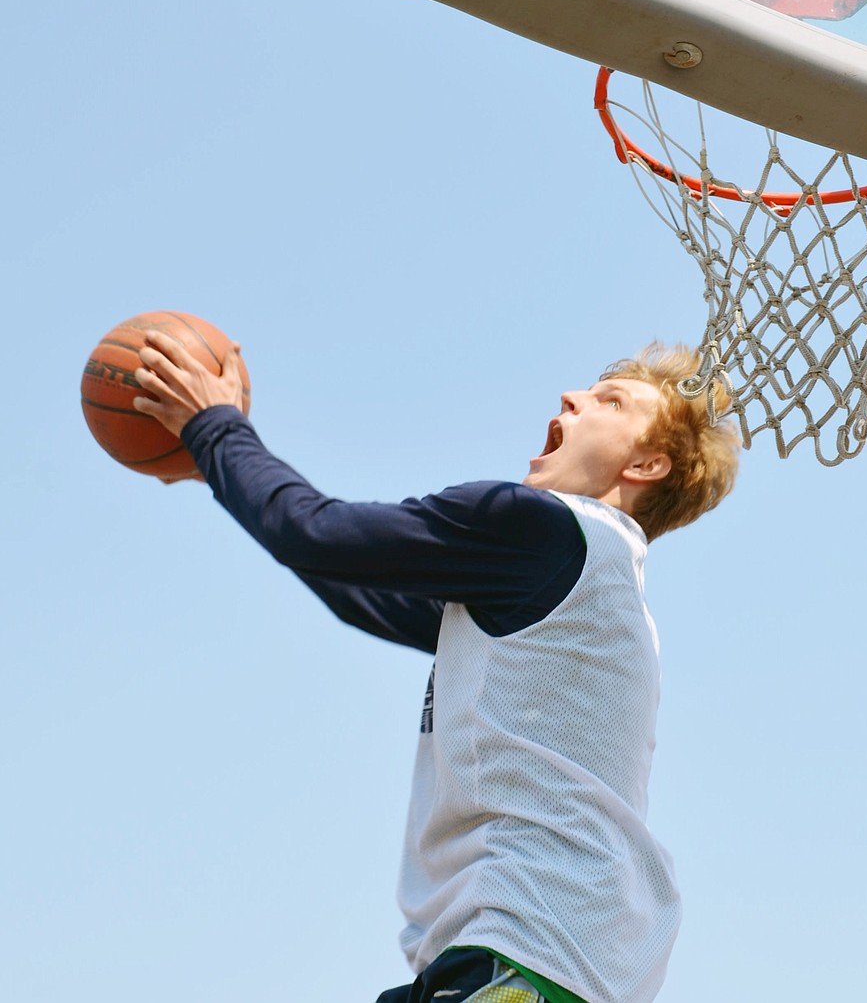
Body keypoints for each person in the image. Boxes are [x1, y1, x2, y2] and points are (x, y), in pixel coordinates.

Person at [133, 330, 739, 1003]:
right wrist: (221, 464)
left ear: (648, 464)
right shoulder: (593, 586)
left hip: (525, 952)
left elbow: (317, 534)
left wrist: (214, 428)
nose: (572, 396)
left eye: (610, 401)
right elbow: (359, 589)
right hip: (530, 954)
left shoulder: (539, 528)